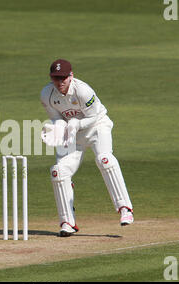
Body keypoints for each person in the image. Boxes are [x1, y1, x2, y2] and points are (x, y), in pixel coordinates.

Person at [40, 59, 134, 237]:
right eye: (55, 78)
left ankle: (125, 208)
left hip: (97, 127)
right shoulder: (47, 94)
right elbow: (56, 118)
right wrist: (59, 127)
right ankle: (67, 221)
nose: (59, 83)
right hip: (73, 135)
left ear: (71, 76)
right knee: (59, 171)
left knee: (104, 160)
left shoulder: (83, 90)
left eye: (63, 78)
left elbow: (94, 116)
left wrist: (77, 123)